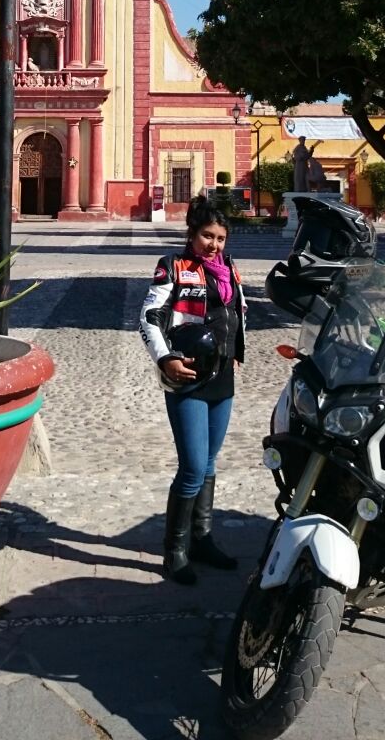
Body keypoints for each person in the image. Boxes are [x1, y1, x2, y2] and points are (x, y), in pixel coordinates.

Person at [139, 195, 247, 584]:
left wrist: (237, 351)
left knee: (210, 464)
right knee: (193, 467)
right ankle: (175, 550)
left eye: (220, 238)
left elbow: (235, 313)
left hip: (222, 378)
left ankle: (202, 538)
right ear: (191, 234)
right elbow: (149, 317)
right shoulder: (173, 266)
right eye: (207, 236)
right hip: (187, 376)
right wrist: (165, 358)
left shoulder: (229, 268)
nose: (214, 244)